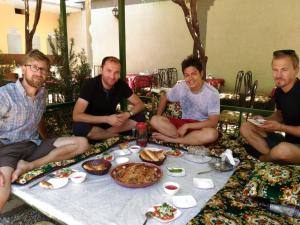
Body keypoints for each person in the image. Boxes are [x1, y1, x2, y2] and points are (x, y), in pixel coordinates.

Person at [0, 50, 89, 211]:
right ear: (23, 69)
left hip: (34, 144)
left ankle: (29, 165)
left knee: (82, 143)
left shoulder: (42, 93)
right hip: (9, 148)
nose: (39, 73)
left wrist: (48, 138)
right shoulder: (6, 95)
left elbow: (38, 116)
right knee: (2, 190)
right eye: (34, 67)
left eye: (43, 69)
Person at [240, 49, 300, 165]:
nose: (278, 75)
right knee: (246, 127)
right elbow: (281, 114)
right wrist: (265, 120)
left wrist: (280, 127)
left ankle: (264, 159)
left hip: (293, 148)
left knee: (283, 149)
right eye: (275, 70)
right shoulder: (279, 92)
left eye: (284, 70)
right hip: (287, 142)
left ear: (296, 71)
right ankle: (273, 157)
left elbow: (282, 126)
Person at [150, 55, 220, 145]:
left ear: (201, 74)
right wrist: (158, 117)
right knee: (154, 120)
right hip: (181, 126)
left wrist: (188, 126)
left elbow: (213, 122)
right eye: (187, 75)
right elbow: (164, 98)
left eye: (194, 74)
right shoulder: (181, 87)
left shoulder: (212, 93)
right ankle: (184, 138)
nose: (190, 78)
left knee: (212, 134)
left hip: (200, 127)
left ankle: (171, 139)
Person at [72, 56, 145, 141]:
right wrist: (106, 119)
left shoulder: (120, 84)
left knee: (140, 117)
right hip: (93, 124)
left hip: (112, 124)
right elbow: (76, 115)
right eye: (109, 71)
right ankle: (116, 136)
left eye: (116, 72)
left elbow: (140, 104)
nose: (112, 76)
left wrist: (128, 114)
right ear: (101, 70)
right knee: (79, 127)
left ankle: (103, 135)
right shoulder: (90, 84)